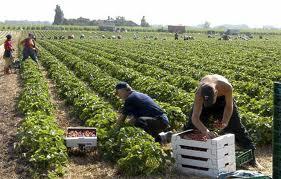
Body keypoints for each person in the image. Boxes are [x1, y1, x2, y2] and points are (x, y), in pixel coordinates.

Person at [184, 74, 262, 168]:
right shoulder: (199, 94)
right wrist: (205, 131)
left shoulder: (226, 87)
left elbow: (229, 107)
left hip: (223, 102)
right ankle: (186, 154)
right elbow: (195, 117)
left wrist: (225, 122)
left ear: (216, 92)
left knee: (236, 127)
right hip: (204, 103)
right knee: (191, 125)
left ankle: (252, 159)